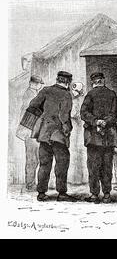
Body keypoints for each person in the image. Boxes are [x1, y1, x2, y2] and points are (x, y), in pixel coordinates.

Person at [27, 71, 77, 202]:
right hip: (58, 135)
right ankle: (61, 193)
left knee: (44, 164)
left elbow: (33, 105)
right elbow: (64, 116)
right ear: (68, 82)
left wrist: (44, 118)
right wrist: (67, 130)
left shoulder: (46, 90)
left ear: (57, 79)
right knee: (62, 163)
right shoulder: (66, 94)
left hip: (44, 134)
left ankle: (41, 193)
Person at [81, 72, 117, 204]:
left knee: (93, 167)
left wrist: (96, 121)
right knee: (107, 166)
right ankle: (107, 195)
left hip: (93, 138)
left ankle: (94, 195)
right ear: (103, 81)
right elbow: (116, 113)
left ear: (93, 82)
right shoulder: (112, 94)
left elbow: (84, 113)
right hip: (108, 137)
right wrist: (105, 122)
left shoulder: (90, 95)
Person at [16, 75, 44, 192]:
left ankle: (31, 183)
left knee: (34, 158)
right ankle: (30, 184)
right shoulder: (30, 95)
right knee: (32, 159)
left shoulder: (32, 94)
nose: (39, 86)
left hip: (32, 131)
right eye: (38, 84)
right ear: (33, 83)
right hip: (30, 131)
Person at [69, 82, 87, 183]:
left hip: (79, 127)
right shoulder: (75, 100)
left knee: (80, 152)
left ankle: (79, 178)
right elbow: (72, 114)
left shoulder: (81, 100)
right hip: (75, 127)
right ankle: (74, 179)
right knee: (74, 152)